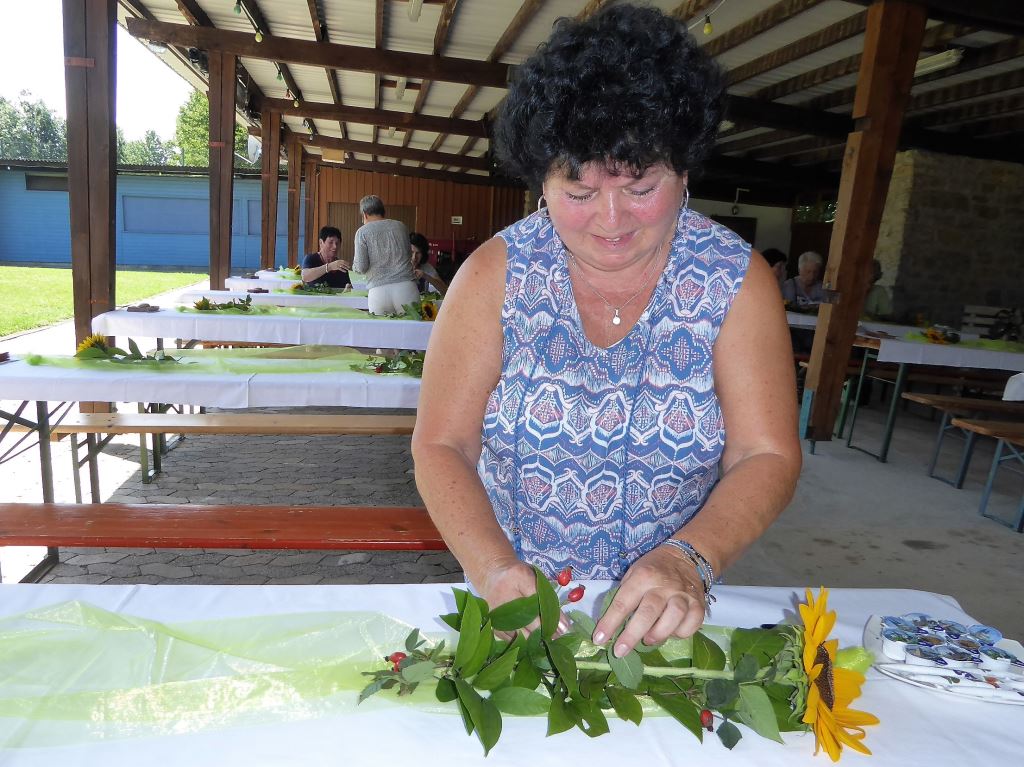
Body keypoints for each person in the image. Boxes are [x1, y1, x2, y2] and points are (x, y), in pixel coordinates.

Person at [411, 4, 800, 657]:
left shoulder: (735, 281)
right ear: (541, 181)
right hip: (517, 601)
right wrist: (494, 569)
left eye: (640, 186)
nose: (612, 219)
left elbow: (766, 454)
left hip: (670, 607)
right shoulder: (494, 276)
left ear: (683, 171)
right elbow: (442, 443)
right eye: (580, 192)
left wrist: (689, 557)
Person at [352, 195, 419, 315]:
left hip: (378, 291)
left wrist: (354, 267)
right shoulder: (401, 226)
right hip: (406, 287)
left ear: (365, 214)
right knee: (412, 326)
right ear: (383, 211)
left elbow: (361, 267)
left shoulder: (362, 232)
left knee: (381, 327)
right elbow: (409, 255)